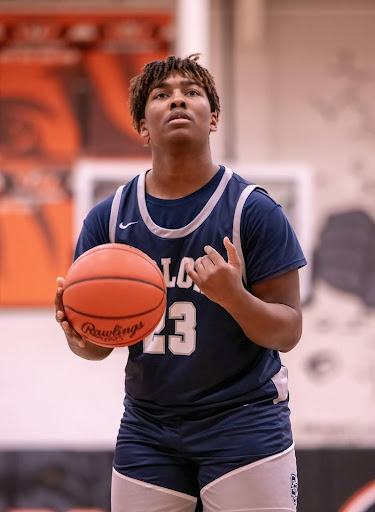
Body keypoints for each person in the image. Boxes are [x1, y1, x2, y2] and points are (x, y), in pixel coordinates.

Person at [55, 54, 306, 512]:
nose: (177, 100)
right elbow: (97, 348)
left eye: (191, 92)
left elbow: (288, 332)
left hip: (243, 420)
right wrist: (78, 333)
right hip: (149, 426)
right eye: (161, 94)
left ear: (212, 119)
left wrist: (235, 298)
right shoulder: (107, 218)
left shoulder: (252, 210)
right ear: (142, 126)